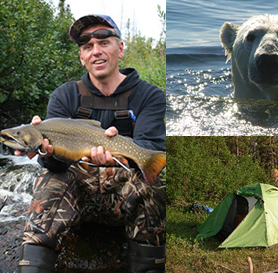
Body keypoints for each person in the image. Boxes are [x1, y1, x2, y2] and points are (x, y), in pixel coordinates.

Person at [13, 14, 166, 273]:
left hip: (124, 197)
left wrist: (119, 157)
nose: (96, 51)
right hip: (78, 200)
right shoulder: (64, 95)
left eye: (104, 42)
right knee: (48, 180)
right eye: (87, 46)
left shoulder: (149, 95)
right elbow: (52, 166)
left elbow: (150, 148)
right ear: (81, 57)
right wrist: (47, 154)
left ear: (120, 48)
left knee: (156, 181)